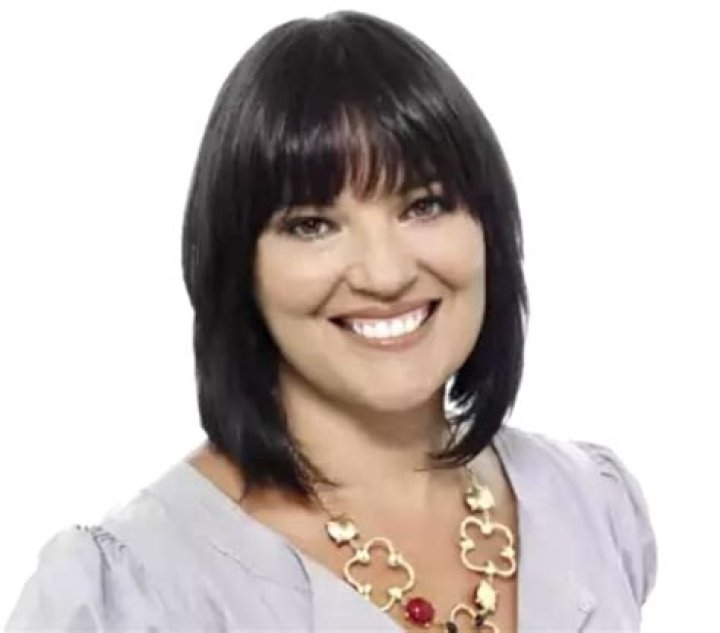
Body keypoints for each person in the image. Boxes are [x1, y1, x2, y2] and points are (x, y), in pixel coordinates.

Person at [5, 10, 656, 633]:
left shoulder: (590, 506)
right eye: (313, 224)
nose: (385, 273)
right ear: (240, 268)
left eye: (423, 205)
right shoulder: (137, 592)